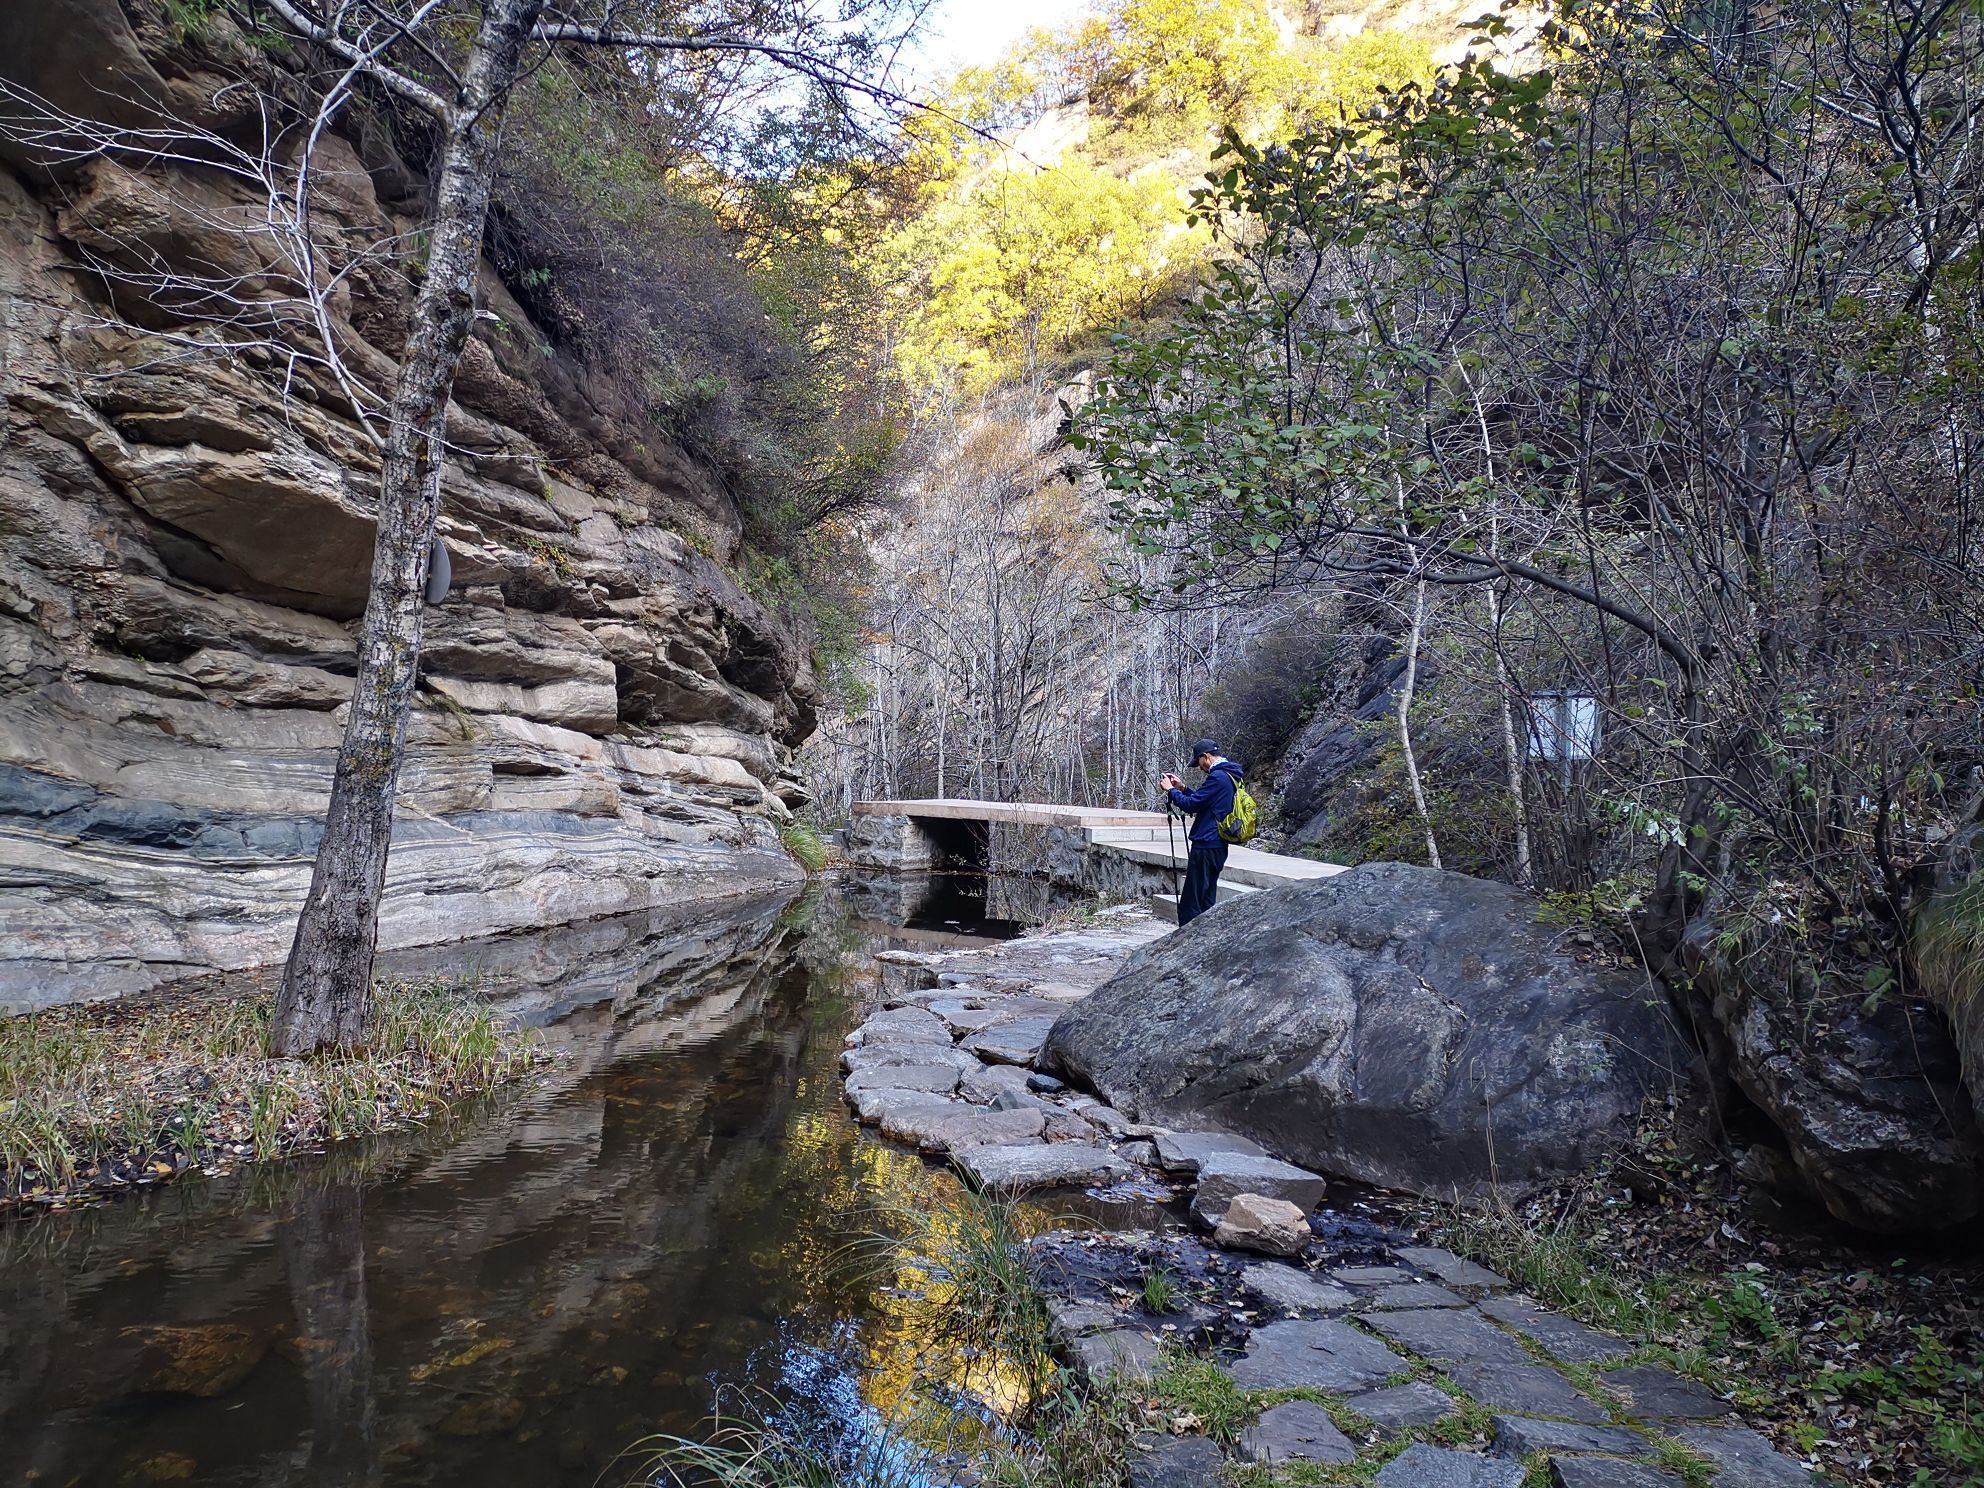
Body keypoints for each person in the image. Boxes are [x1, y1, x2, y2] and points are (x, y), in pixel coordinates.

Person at [1160, 738, 1245, 926]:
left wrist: (1171, 791)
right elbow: (1204, 802)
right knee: (1206, 898)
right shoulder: (1230, 775)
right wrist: (1182, 788)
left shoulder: (1218, 777)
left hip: (1206, 843)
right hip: (1218, 844)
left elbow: (1191, 805)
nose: (1199, 767)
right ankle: (1206, 936)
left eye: (1198, 762)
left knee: (1192, 901)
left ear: (1206, 756)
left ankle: (1186, 938)